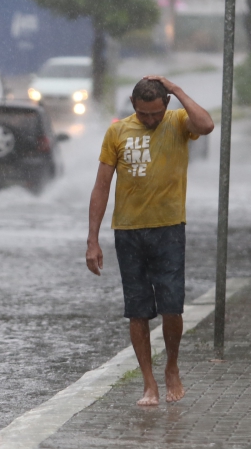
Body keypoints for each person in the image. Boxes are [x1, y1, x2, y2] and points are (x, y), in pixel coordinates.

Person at [85, 76, 215, 406]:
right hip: (128, 232)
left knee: (172, 307)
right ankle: (148, 382)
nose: (150, 120)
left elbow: (208, 124)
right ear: (133, 107)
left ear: (166, 105)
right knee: (137, 310)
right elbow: (101, 186)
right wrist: (92, 240)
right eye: (143, 114)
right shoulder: (117, 132)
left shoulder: (178, 122)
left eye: (156, 113)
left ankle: (172, 367)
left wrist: (179, 90)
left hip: (169, 228)